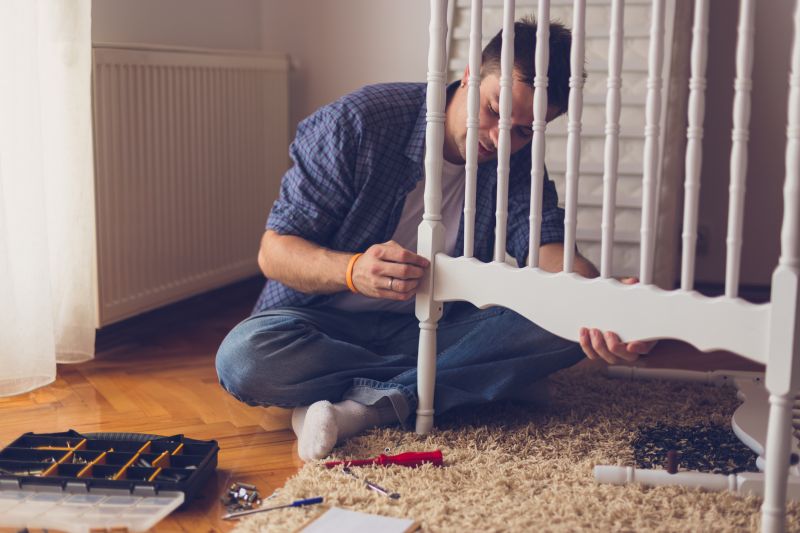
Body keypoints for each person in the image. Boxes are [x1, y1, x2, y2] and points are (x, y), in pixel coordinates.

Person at [215, 18, 655, 461]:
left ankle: (362, 408)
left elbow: (547, 248)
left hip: (436, 326)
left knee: (563, 324)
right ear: (469, 75)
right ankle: (475, 378)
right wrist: (352, 270)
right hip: (321, 326)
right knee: (243, 359)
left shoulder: (516, 161)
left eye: (524, 131)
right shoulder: (360, 122)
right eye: (494, 110)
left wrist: (602, 302)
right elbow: (275, 252)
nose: (500, 139)